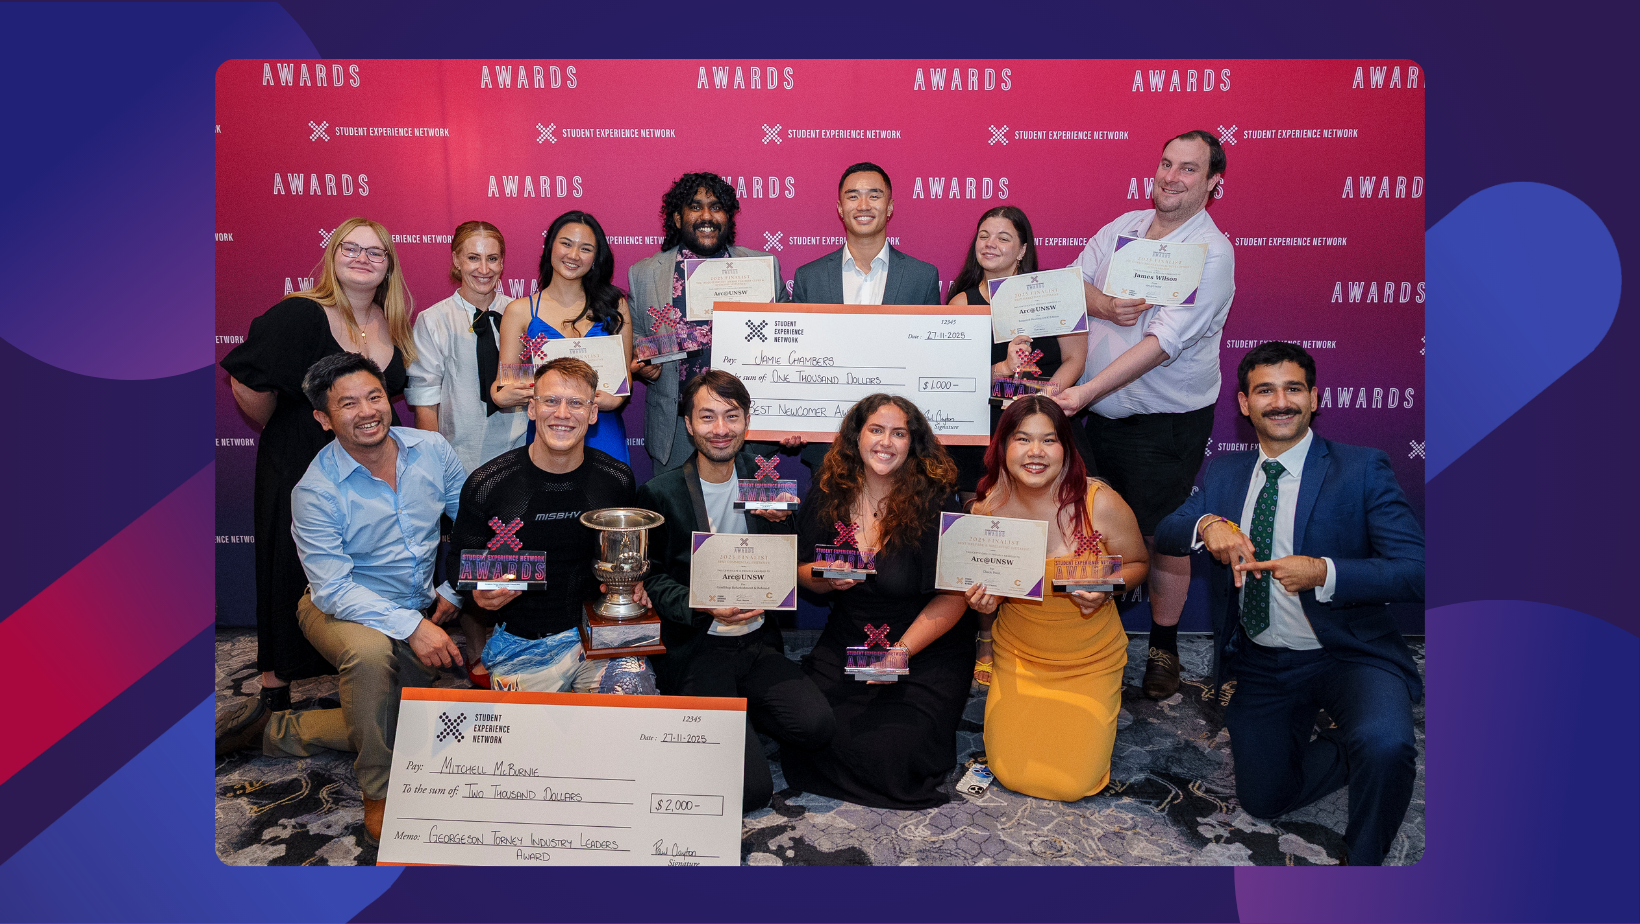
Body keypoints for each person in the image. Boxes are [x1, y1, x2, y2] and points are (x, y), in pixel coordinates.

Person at [1154, 341, 1424, 865]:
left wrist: (1324, 572)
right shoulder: (1227, 473)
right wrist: (1207, 524)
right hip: (1264, 662)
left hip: (1349, 653)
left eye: (1293, 389)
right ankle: (1346, 747)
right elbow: (1167, 531)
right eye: (1265, 391)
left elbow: (1417, 570)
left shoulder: (1362, 468)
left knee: (1386, 745)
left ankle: (1365, 862)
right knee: (1266, 799)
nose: (1280, 402)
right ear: (1244, 403)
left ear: (1314, 398)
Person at [214, 352, 466, 847]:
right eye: (348, 404)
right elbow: (333, 589)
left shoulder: (433, 450)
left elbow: (473, 523)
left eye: (375, 396)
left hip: (411, 607)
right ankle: (378, 790)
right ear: (324, 419)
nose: (367, 411)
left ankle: (274, 731)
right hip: (338, 609)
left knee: (405, 721)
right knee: (370, 658)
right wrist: (414, 626)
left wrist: (454, 588)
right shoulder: (315, 489)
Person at [1052, 130, 1235, 700]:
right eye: (1166, 163)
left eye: (1188, 169)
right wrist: (1105, 304)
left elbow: (1162, 344)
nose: (1171, 177)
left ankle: (1163, 646)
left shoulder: (1212, 252)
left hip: (1164, 422)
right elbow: (1069, 283)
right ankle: (1095, 636)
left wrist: (1081, 393)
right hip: (1098, 415)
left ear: (1213, 183)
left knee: (1163, 535)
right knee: (1092, 523)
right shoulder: (1122, 228)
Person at [219, 216, 417, 713]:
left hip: (367, 464)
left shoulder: (392, 323)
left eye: (375, 252)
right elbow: (246, 378)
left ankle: (356, 668)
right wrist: (287, 429)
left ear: (388, 266)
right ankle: (275, 688)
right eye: (350, 248)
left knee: (362, 562)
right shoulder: (301, 314)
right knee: (289, 564)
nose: (362, 258)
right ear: (333, 256)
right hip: (300, 458)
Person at [632, 370, 834, 813]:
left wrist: (784, 526)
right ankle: (710, 718)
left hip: (758, 644)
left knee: (817, 727)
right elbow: (652, 578)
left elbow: (786, 561)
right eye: (707, 417)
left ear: (747, 422)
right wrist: (701, 604)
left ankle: (739, 715)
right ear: (688, 424)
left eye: (732, 416)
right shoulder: (660, 493)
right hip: (698, 647)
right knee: (751, 792)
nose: (720, 429)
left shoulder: (765, 482)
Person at [782, 394, 981, 809]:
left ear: (913, 443)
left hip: (926, 642)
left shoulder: (935, 500)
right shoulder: (828, 492)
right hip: (851, 634)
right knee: (809, 731)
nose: (886, 442)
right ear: (857, 436)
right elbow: (799, 572)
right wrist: (826, 576)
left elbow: (954, 596)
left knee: (888, 755)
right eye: (876, 430)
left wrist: (900, 653)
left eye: (899, 433)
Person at [966, 396, 1148, 801]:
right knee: (1010, 772)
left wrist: (1108, 588)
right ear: (1002, 447)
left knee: (1072, 783)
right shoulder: (987, 511)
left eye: (1048, 440)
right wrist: (985, 603)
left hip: (1090, 660)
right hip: (1020, 656)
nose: (1035, 451)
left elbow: (1138, 563)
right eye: (1022, 439)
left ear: (1066, 448)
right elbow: (992, 589)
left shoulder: (1100, 502)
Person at [446, 356, 656, 694]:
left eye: (576, 403)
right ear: (532, 408)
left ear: (592, 413)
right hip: (522, 643)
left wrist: (634, 583)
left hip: (599, 635)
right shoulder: (488, 484)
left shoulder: (616, 479)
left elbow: (626, 555)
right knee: (525, 729)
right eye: (551, 401)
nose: (562, 414)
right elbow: (457, 561)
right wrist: (478, 591)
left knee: (632, 699)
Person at [406, 220, 529, 686]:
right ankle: (478, 654)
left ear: (503, 262)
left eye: (492, 258)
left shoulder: (520, 314)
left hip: (518, 452)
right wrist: (435, 465)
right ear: (456, 261)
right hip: (460, 460)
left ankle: (516, 645)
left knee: (516, 550)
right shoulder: (434, 320)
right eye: (473, 257)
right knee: (474, 556)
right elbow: (425, 399)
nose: (483, 268)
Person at [628, 172, 792, 474]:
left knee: (745, 507)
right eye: (695, 207)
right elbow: (636, 343)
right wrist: (644, 367)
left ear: (728, 217)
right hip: (676, 431)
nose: (707, 216)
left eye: (716, 207)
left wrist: (792, 415)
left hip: (745, 430)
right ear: (678, 218)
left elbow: (790, 343)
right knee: (675, 505)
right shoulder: (645, 274)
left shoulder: (762, 269)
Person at [790, 162, 943, 472]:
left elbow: (930, 358)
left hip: (897, 447)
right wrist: (789, 415)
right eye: (852, 196)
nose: (863, 205)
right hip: (829, 443)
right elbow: (798, 358)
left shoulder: (922, 277)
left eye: (874, 195)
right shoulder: (809, 277)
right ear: (840, 208)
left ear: (890, 207)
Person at [945, 205, 1095, 498]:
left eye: (1003, 238)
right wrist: (1002, 368)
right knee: (984, 518)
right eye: (984, 236)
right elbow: (957, 378)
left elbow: (1075, 359)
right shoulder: (961, 304)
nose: (990, 244)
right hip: (986, 431)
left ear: (1022, 249)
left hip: (1050, 422)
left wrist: (1043, 401)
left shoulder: (1056, 291)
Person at [497, 210, 633, 463]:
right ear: (550, 247)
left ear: (596, 258)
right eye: (566, 244)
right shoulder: (520, 311)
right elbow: (504, 383)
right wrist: (505, 394)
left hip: (602, 429)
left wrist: (616, 399)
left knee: (607, 487)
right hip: (549, 430)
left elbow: (624, 380)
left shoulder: (615, 306)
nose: (573, 255)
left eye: (585, 248)